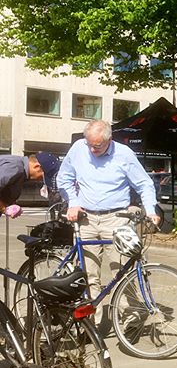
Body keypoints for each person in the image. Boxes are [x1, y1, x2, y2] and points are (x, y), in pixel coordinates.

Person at [57, 119, 160, 298]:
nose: (91, 150)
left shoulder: (124, 154)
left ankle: (127, 320)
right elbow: (64, 178)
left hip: (117, 218)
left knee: (122, 272)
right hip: (86, 218)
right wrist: (73, 202)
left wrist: (150, 210)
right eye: (89, 144)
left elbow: (144, 183)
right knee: (88, 275)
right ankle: (90, 320)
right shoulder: (78, 148)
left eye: (96, 146)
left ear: (109, 140)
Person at [0, 152, 59, 218]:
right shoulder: (15, 168)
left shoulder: (21, 172)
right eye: (43, 176)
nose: (41, 180)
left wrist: (9, 204)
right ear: (36, 166)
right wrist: (4, 209)